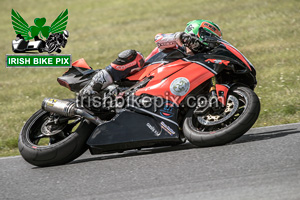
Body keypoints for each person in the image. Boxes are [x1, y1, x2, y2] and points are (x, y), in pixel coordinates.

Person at [79, 19, 222, 96]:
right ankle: (92, 88)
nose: (210, 42)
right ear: (195, 31)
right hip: (136, 79)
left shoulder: (198, 63)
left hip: (157, 93)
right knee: (134, 56)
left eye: (213, 40)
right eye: (208, 36)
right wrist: (181, 37)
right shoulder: (175, 45)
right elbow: (158, 38)